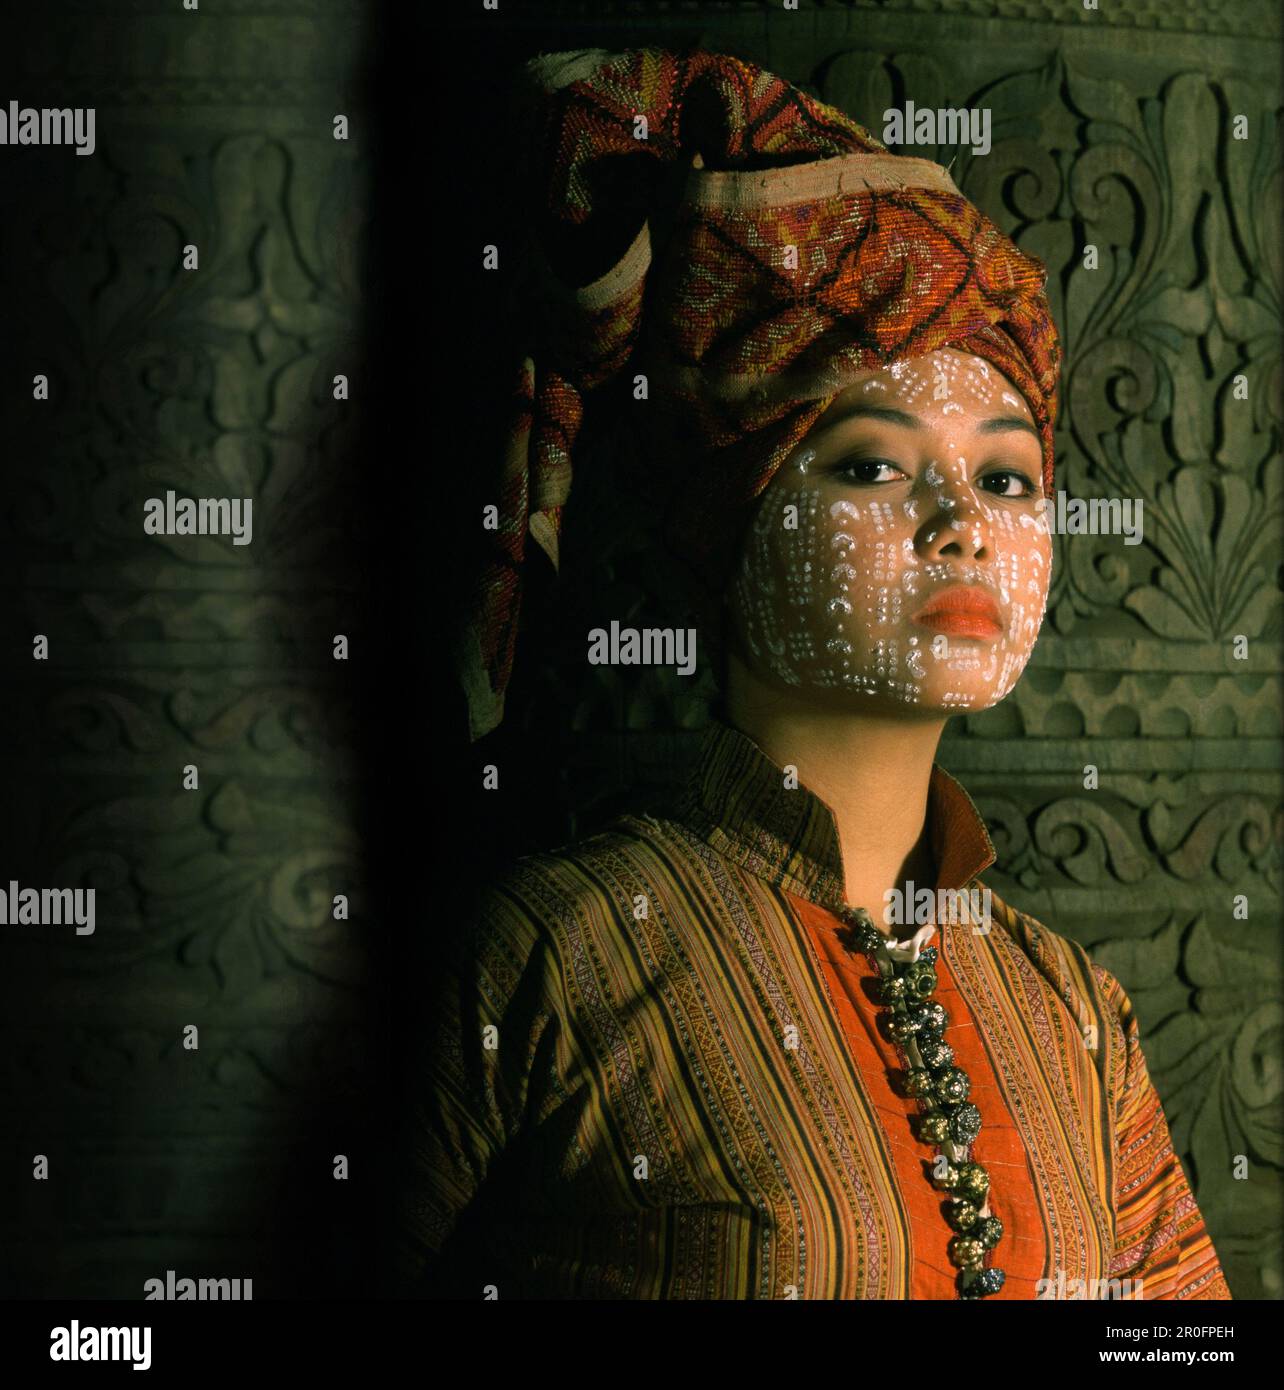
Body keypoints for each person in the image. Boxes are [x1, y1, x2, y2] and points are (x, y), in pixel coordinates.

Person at [402, 46, 1231, 1300]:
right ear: (734, 529)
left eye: (1007, 476)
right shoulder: (555, 956)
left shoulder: (1071, 1014)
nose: (966, 521)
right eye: (872, 466)